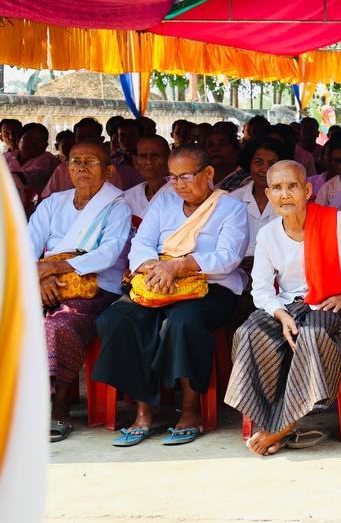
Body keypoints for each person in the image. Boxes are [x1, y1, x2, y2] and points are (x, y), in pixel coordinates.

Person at [91, 144, 249, 446]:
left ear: (209, 173)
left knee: (181, 323)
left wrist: (179, 266)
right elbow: (142, 244)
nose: (178, 184)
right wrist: (156, 269)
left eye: (186, 176)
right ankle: (143, 411)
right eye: (173, 177)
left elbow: (228, 257)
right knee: (117, 319)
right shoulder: (163, 203)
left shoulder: (231, 208)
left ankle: (190, 409)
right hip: (158, 281)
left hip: (209, 287)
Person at [226, 162, 341, 455]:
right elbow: (261, 288)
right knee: (250, 332)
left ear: (307, 190)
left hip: (332, 303)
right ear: (268, 194)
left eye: (292, 186)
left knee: (313, 334)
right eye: (277, 188)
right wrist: (280, 314)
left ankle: (284, 426)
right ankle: (270, 418)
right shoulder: (268, 234)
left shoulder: (335, 222)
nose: (285, 194)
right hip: (289, 305)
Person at [28, 141, 131, 442]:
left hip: (95, 288)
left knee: (59, 324)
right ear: (67, 168)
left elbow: (107, 254)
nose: (82, 168)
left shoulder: (117, 206)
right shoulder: (52, 204)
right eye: (76, 161)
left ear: (108, 170)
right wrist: (41, 277)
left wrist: (55, 268)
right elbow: (27, 247)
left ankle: (59, 403)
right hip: (45, 284)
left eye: (91, 162)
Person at [230, 137, 288, 260]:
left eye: (272, 164)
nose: (265, 169)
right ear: (249, 164)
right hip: (238, 267)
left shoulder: (290, 201)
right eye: (258, 162)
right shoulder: (233, 199)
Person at [122, 135, 171, 226]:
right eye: (143, 156)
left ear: (169, 159)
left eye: (155, 155)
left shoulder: (181, 192)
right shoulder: (128, 197)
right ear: (135, 161)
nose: (149, 161)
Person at [6, 123, 60, 195]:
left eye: (40, 140)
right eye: (29, 138)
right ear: (18, 140)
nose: (34, 143)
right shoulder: (7, 157)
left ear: (45, 146)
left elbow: (24, 177)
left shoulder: (48, 160)